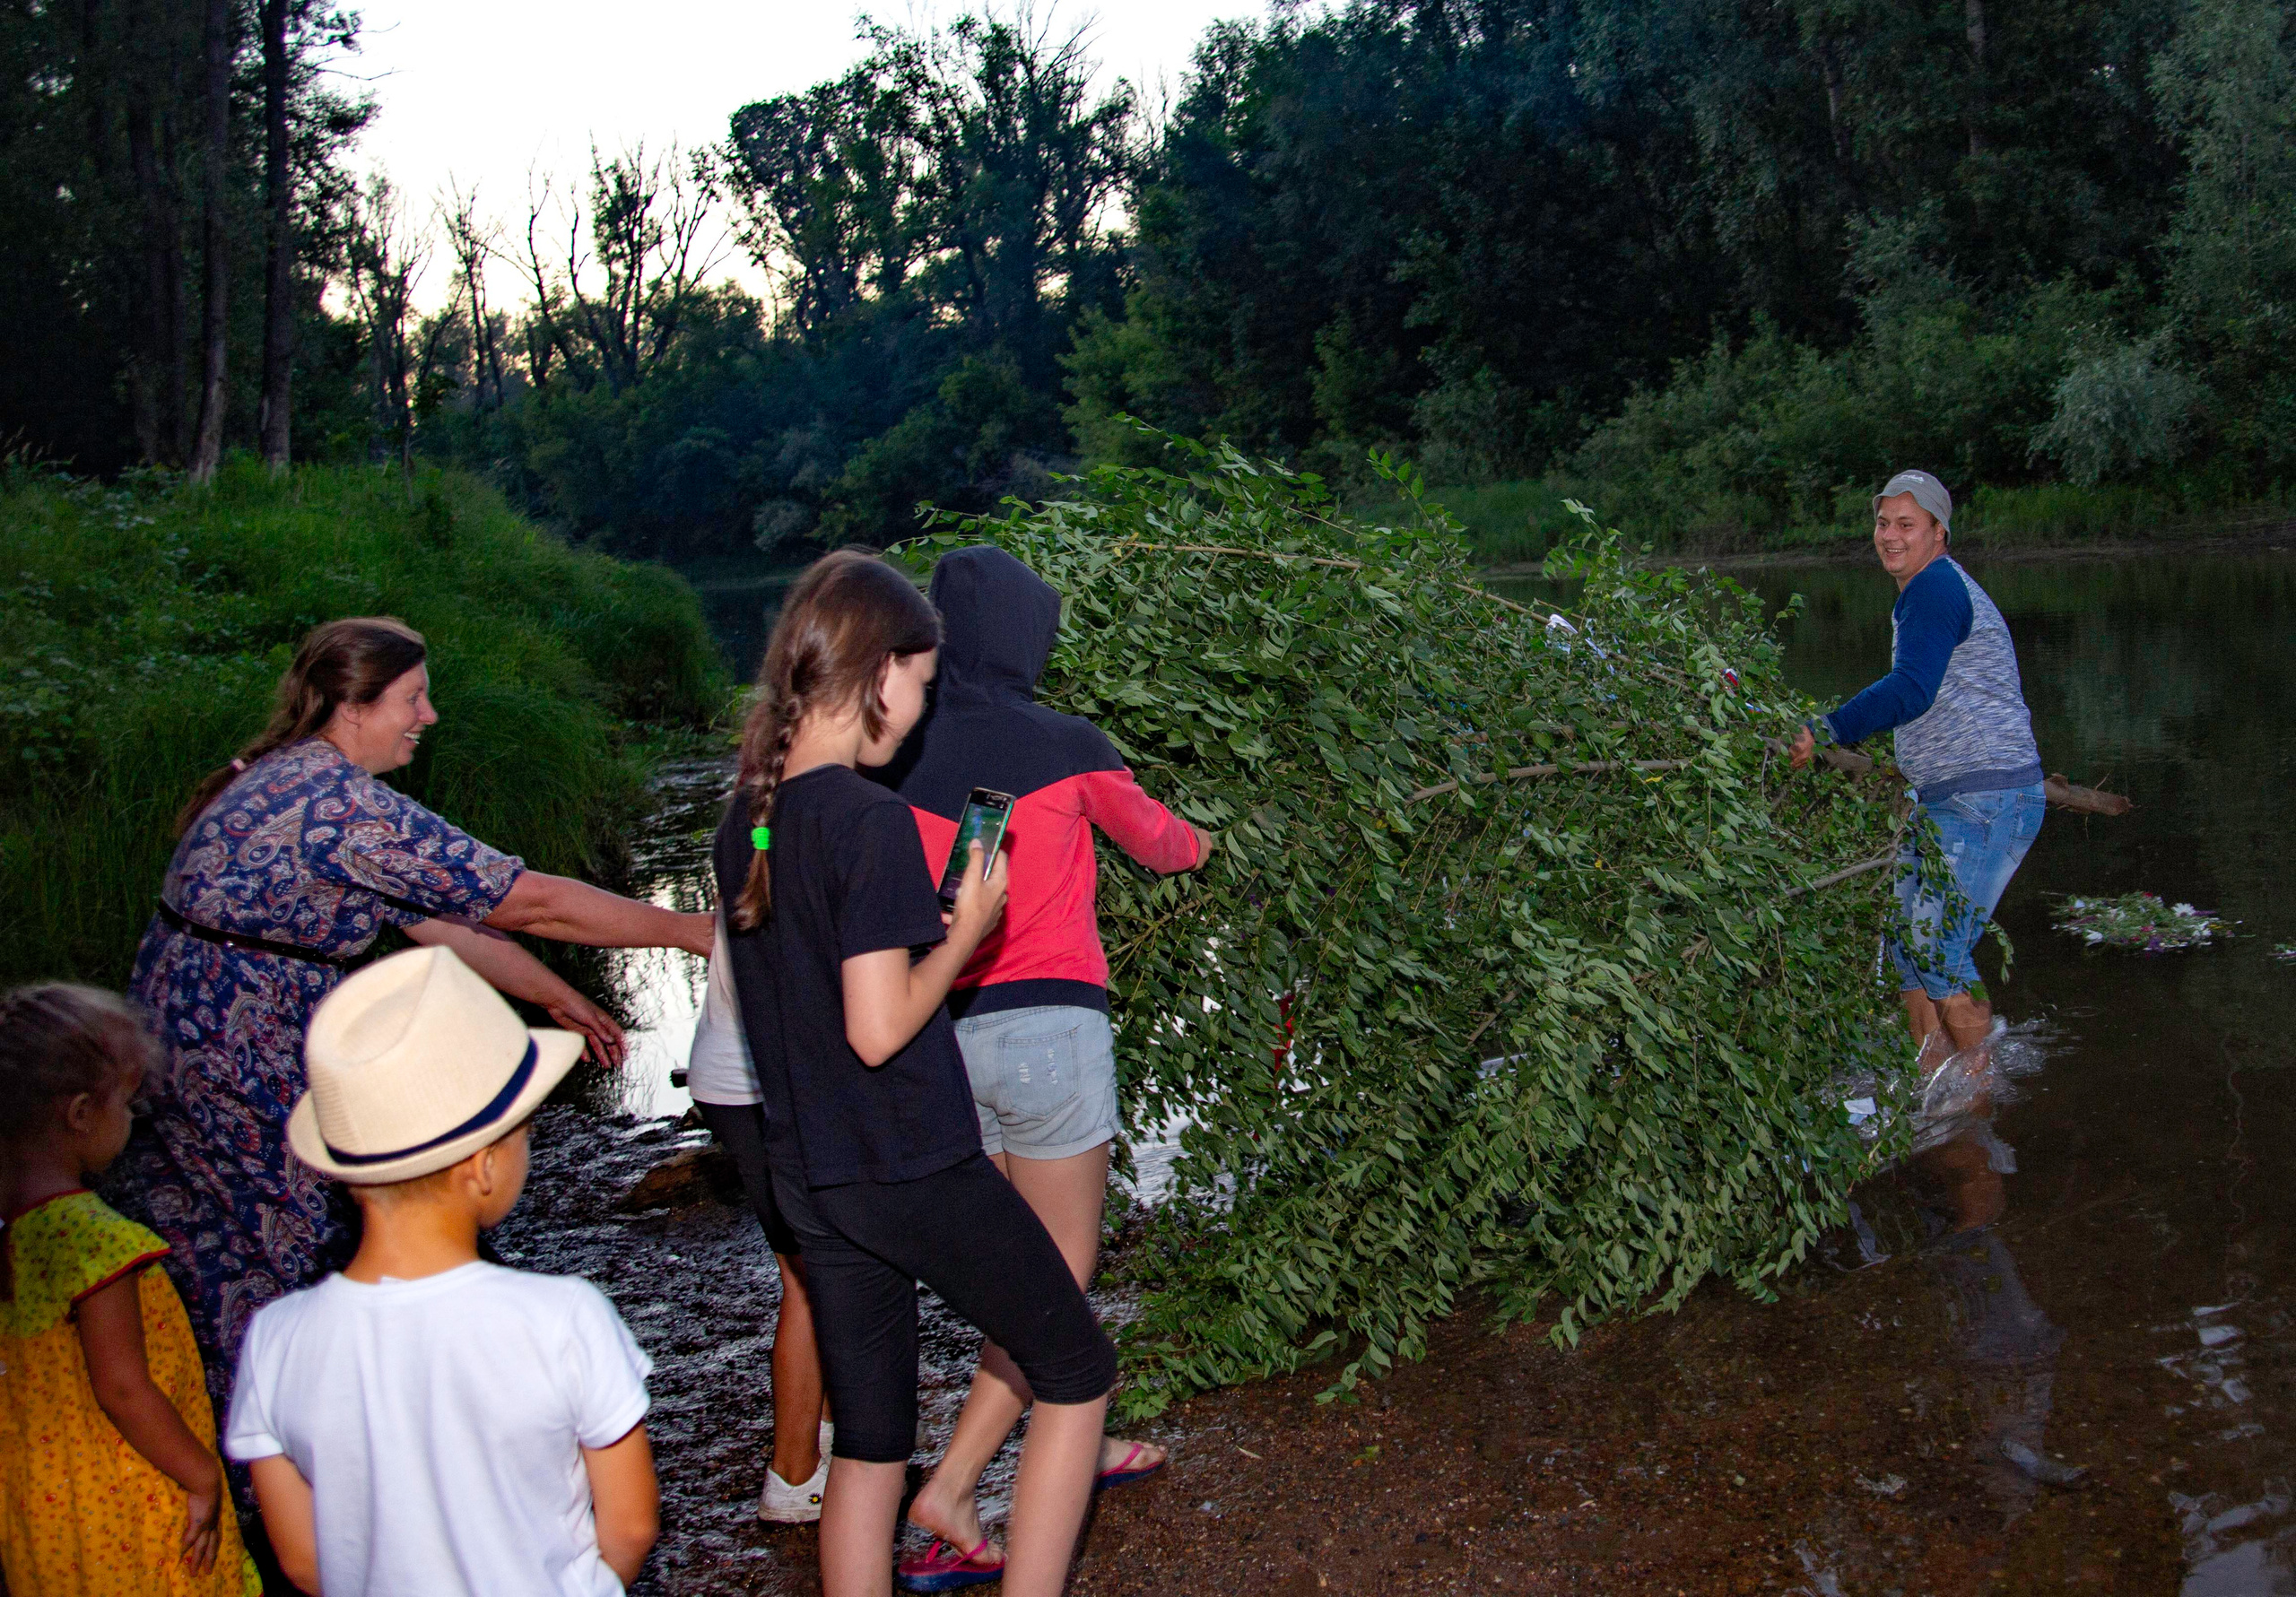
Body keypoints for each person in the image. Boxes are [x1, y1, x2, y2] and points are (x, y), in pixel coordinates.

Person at [123, 616, 711, 1426]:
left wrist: (551, 994)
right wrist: (687, 928)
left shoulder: (281, 774)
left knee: (224, 1254)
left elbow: (437, 919)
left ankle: (271, 1448)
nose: (428, 716)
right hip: (234, 1055)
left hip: (176, 1038)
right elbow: (523, 898)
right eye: (413, 697)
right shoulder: (339, 804)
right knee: (293, 1246)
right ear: (353, 705)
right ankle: (331, 1445)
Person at [714, 549, 1117, 1597]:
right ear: (880, 672)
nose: (925, 707)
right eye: (924, 686)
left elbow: (817, 960)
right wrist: (968, 930)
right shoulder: (868, 817)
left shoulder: (749, 818)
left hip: (818, 1180)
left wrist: (912, 932)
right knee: (1078, 1371)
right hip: (912, 1165)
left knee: (874, 1441)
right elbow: (881, 1029)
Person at [881, 545, 1207, 1565]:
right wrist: (1208, 840)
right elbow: (1162, 842)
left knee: (1015, 1265)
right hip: (1050, 1035)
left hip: (937, 1034)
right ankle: (953, 1482)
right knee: (1056, 1279)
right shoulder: (1063, 741)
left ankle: (1076, 1434)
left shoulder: (892, 750)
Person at [224, 944, 659, 1596]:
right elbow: (628, 1527)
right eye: (525, 1130)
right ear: (482, 1164)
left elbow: (304, 1561)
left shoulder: (274, 1339)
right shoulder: (565, 1316)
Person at [0, 983, 259, 1597]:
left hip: (44, 1512)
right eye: (126, 1101)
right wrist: (200, 1474)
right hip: (130, 1495)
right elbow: (122, 1386)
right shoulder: (99, 1242)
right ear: (81, 1112)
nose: (133, 1118)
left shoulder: (12, 1235)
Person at [1791, 471, 2045, 1067]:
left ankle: (1979, 1097)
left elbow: (1912, 689)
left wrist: (1829, 727)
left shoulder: (1936, 588)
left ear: (1938, 532)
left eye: (1907, 524)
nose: (1890, 535)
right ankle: (1932, 1081)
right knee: (1908, 950)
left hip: (1986, 798)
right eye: (1883, 522)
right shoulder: (1926, 591)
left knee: (1938, 953)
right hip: (1950, 797)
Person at [685, 907, 832, 1522]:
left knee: (811, 1270)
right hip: (771, 1080)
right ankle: (793, 1478)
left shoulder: (757, 824)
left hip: (727, 1073)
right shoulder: (817, 829)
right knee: (813, 1277)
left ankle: (824, 1434)